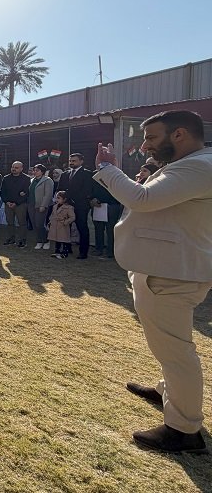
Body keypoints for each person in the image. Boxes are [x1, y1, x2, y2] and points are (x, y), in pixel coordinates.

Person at [94, 110, 212, 453]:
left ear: (179, 135)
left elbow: (142, 199)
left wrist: (108, 168)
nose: (145, 146)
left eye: (151, 138)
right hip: (168, 269)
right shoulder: (191, 164)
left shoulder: (198, 166)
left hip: (171, 274)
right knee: (169, 346)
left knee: (175, 351)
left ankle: (184, 429)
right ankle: (169, 392)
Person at [57, 153, 94, 259]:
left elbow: (87, 190)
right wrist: (63, 200)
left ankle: (83, 252)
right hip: (66, 205)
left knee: (82, 228)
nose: (71, 163)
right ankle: (67, 248)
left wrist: (73, 200)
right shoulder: (65, 174)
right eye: (70, 161)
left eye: (74, 161)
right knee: (65, 227)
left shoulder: (87, 174)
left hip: (80, 205)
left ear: (81, 161)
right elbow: (60, 189)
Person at [90, 175, 121, 259]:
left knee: (110, 230)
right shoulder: (94, 176)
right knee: (98, 229)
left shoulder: (116, 176)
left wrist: (101, 199)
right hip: (97, 206)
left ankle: (110, 251)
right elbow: (90, 189)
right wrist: (92, 199)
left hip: (112, 205)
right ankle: (99, 249)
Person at [0, 161, 31, 247]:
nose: (13, 169)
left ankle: (22, 240)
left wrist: (16, 203)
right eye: (13, 167)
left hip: (20, 204)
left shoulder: (26, 178)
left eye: (16, 167)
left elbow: (27, 193)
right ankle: (11, 238)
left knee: (22, 223)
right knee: (10, 222)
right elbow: (2, 192)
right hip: (8, 204)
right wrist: (7, 202)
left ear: (21, 168)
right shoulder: (6, 178)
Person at [28, 164, 54, 250]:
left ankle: (46, 240)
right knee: (34, 224)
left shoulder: (47, 180)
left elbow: (48, 194)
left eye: (37, 170)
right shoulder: (32, 180)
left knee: (40, 224)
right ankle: (39, 240)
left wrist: (43, 205)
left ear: (42, 172)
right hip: (31, 205)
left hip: (41, 205)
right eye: (34, 170)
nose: (35, 172)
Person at [47, 191, 74, 259]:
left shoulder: (69, 207)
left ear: (64, 199)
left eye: (59, 198)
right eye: (56, 198)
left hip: (63, 226)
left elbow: (72, 217)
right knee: (57, 239)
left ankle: (65, 253)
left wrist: (65, 222)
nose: (57, 199)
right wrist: (50, 221)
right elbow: (52, 215)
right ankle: (57, 251)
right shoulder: (54, 206)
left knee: (64, 240)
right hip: (55, 224)